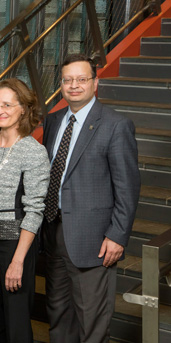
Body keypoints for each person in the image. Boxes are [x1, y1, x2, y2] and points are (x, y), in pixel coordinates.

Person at [42, 54, 140, 342]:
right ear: (61, 84)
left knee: (92, 324)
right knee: (58, 315)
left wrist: (118, 235)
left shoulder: (115, 124)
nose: (74, 85)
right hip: (53, 231)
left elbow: (128, 187)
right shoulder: (53, 121)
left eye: (81, 79)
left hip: (94, 240)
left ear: (95, 82)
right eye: (68, 80)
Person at [0, 78, 50, 342]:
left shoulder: (33, 151)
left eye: (7, 105)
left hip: (15, 246)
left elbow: (35, 210)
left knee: (16, 322)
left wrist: (18, 261)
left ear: (23, 108)